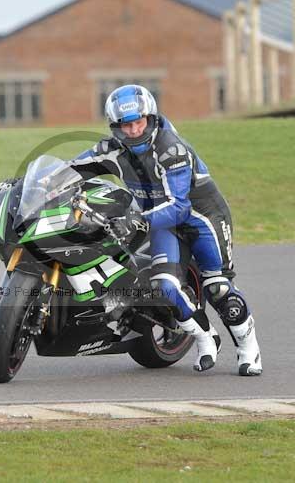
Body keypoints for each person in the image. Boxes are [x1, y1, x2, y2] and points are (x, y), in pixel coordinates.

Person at [68, 84, 262, 375]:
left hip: (200, 217)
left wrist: (138, 221)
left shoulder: (171, 149)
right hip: (158, 221)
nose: (133, 131)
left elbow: (179, 207)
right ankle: (204, 337)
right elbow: (69, 169)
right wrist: (32, 184)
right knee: (163, 287)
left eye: (138, 123)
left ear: (150, 118)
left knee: (218, 288)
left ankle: (249, 350)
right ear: (114, 127)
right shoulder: (110, 149)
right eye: (125, 125)